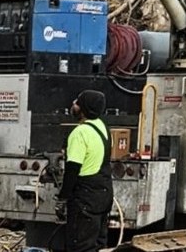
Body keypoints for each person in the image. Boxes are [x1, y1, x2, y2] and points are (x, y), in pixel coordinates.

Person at [57, 89, 113, 252]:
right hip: (103, 194)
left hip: (85, 198)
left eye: (77, 102)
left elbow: (72, 169)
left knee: (79, 246)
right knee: (98, 246)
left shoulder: (80, 133)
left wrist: (63, 197)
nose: (73, 105)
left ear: (83, 108)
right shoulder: (103, 128)